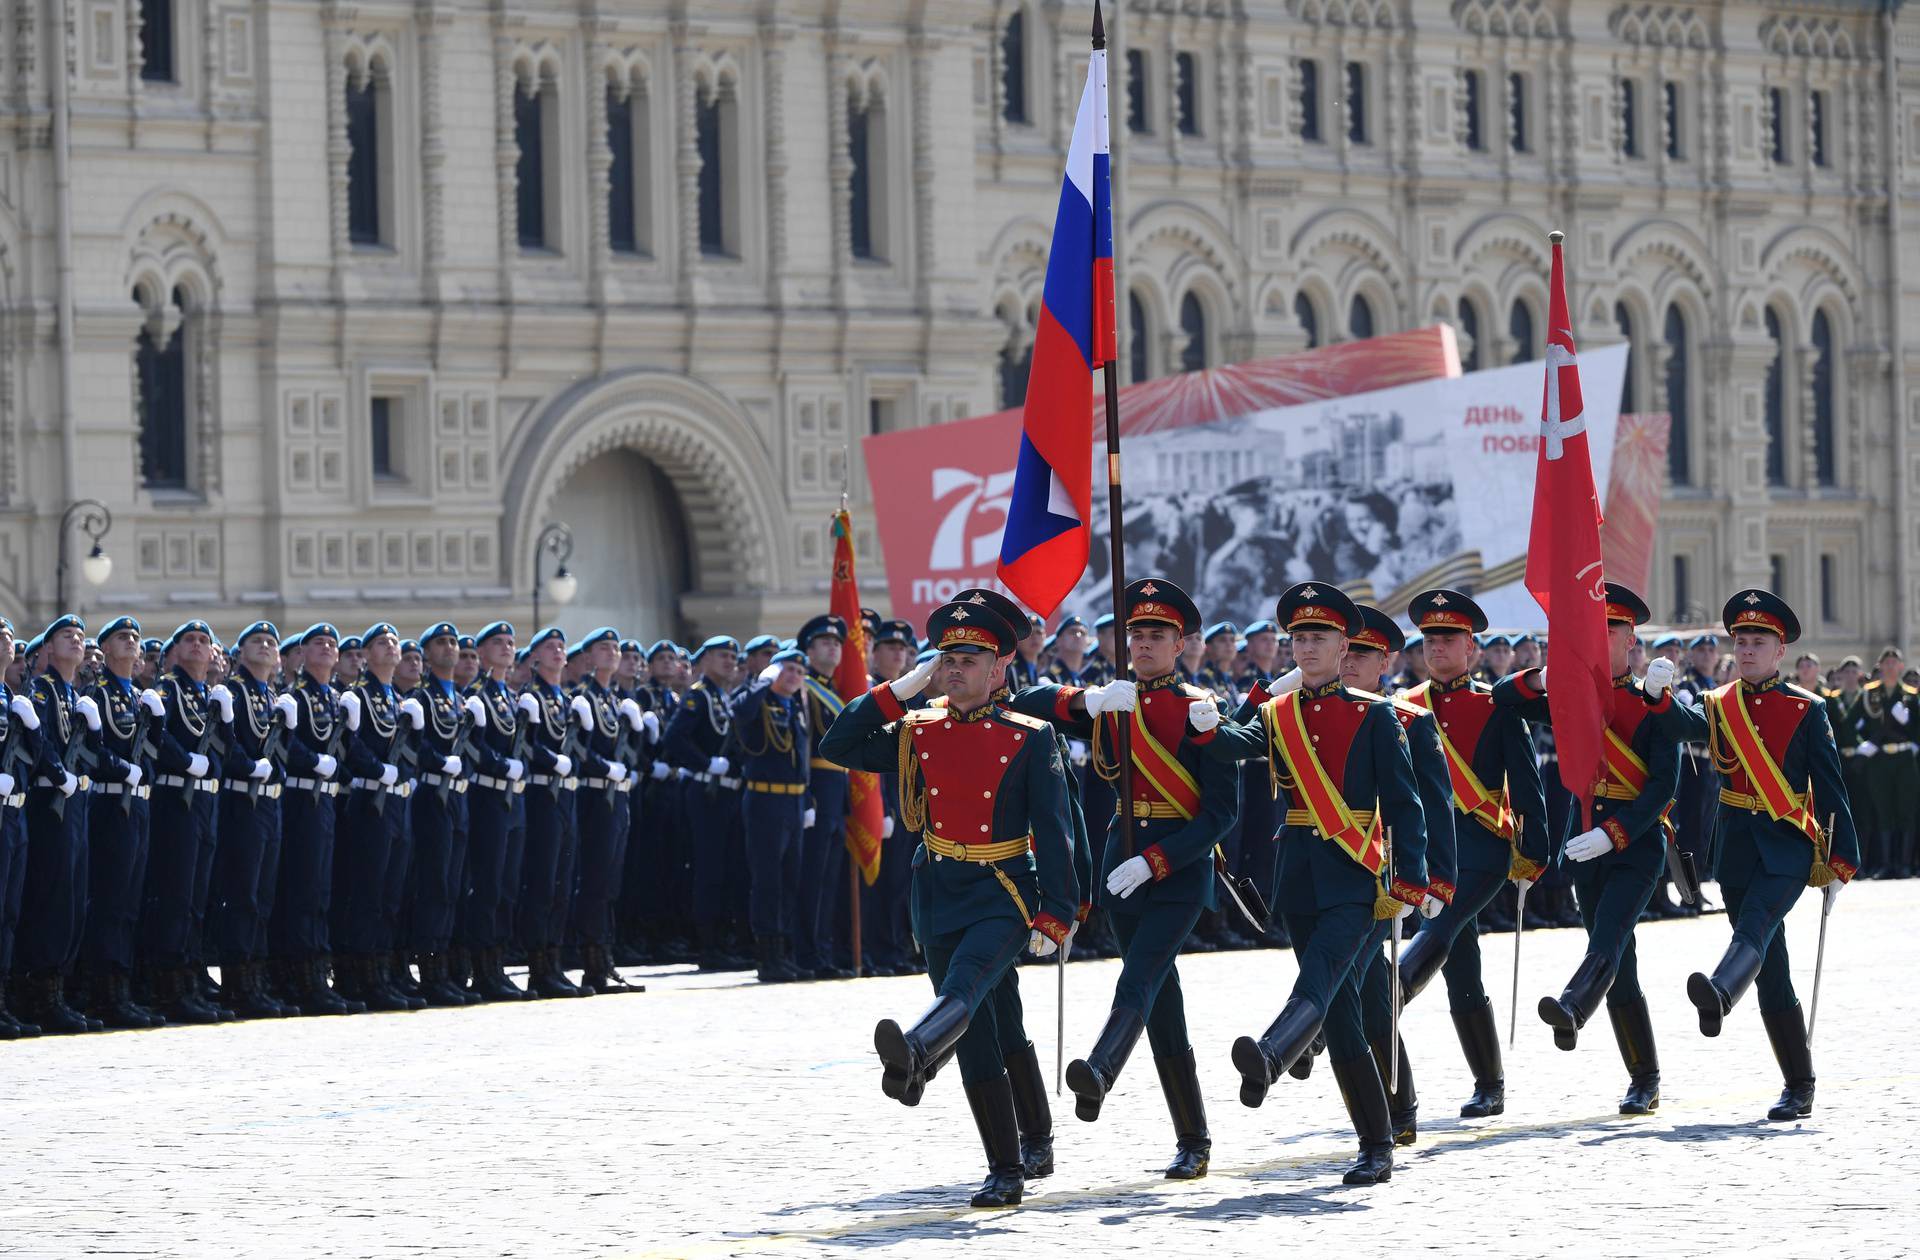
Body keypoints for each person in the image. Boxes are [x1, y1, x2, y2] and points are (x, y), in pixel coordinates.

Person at [822, 600, 1079, 1209]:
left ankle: (921, 1058)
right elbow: (840, 742)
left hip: (1003, 892)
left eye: (969, 660)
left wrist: (1060, 912)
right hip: (938, 893)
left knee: (963, 993)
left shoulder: (1029, 737)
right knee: (989, 1026)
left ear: (999, 667)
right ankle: (1029, 1143)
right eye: (948, 660)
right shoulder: (918, 730)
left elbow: (1059, 830)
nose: (955, 670)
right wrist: (899, 690)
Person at [1205, 583, 1433, 1186]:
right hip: (1300, 878)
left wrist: (1411, 882)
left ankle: (1273, 1054)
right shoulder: (1279, 715)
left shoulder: (1376, 717)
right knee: (1342, 1017)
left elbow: (1406, 808)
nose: (1307, 647)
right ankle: (1377, 1140)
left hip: (1357, 878)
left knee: (1323, 982)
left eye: (1320, 638)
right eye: (1299, 638)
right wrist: (1214, 716)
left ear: (1342, 646)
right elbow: (1231, 745)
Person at [1047, 579, 1237, 1181]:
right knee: (1163, 1005)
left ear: (1180, 643)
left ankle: (1100, 1069)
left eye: (1157, 635)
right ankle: (1194, 1139)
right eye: (1137, 634)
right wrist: (1088, 703)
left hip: (1177, 869)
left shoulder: (1200, 707)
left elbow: (1220, 813)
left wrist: (1159, 860)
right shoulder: (1115, 699)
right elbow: (1026, 699)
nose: (1145, 644)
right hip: (1121, 862)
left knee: (1140, 974)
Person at [1492, 584, 1680, 1115]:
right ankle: (1646, 1078)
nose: (1600, 640)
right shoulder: (1574, 697)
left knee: (1609, 937)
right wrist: (1546, 677)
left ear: (1632, 642)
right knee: (1623, 962)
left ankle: (1574, 1005)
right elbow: (1503, 698)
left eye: (1610, 632)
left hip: (1636, 844)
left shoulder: (1653, 703)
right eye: (1592, 632)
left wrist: (1614, 833)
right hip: (1583, 845)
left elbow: (1664, 787)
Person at [1673, 590, 1859, 1122]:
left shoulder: (1807, 708)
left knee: (1752, 927)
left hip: (1786, 847)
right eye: (1742, 640)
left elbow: (1830, 788)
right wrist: (1655, 696)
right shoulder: (1717, 704)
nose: (1748, 649)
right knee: (1772, 968)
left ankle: (1721, 991)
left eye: (1760, 641)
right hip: (1735, 849)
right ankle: (1799, 1084)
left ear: (1780, 652)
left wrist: (1841, 860)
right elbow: (1676, 728)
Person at [1390, 588, 1548, 1120]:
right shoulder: (1404, 707)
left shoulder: (1495, 705)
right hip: (1428, 851)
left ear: (1472, 648)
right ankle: (1490, 1081)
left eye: (1448, 638)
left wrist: (1534, 851)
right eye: (1430, 638)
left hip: (1480, 850)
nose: (1437, 647)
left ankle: (1388, 995)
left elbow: (1527, 784)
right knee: (1461, 964)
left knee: (1437, 928)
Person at [1339, 604, 1456, 1146]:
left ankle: (1393, 1107)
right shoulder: (1314, 712)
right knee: (1370, 992)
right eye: (1346, 648)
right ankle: (1399, 1103)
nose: (1349, 660)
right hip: (1335, 872)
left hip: (1385, 878)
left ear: (1384, 661)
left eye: (1361, 652)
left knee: (1363, 986)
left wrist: (1434, 881)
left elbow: (1434, 805)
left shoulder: (1409, 720)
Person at [15, 615, 102, 1033]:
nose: (76, 640)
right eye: (66, 635)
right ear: (47, 649)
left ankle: (58, 990)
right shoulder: (42, 690)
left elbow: (90, 752)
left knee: (74, 895)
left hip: (76, 804)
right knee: (53, 896)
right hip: (51, 805)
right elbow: (42, 743)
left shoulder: (76, 694)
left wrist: (96, 727)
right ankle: (41, 994)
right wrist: (55, 770)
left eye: (80, 636)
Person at [75, 615, 161, 1029]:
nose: (130, 642)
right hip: (111, 805)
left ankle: (121, 989)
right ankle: (104, 992)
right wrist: (121, 770)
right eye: (121, 637)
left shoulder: (140, 696)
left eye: (135, 638)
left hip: (138, 805)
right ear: (104, 649)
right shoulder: (99, 693)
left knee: (130, 902)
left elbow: (156, 753)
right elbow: (92, 751)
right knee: (110, 901)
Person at [273, 624, 362, 1016]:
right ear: (302, 654)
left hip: (326, 803)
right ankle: (301, 979)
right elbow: (281, 746)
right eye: (318, 644)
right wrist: (314, 761)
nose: (327, 648)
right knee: (304, 890)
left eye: (332, 644)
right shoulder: (295, 697)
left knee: (321, 891)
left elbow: (346, 753)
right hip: (301, 800)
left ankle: (316, 975)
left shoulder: (337, 699)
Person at [210, 621, 294, 1018]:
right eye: (256, 641)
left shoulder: (273, 695)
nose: (264, 646)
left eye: (270, 642)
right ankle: (238, 983)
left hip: (269, 805)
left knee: (263, 895)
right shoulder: (235, 692)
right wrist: (248, 767)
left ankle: (256, 980)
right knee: (243, 893)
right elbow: (222, 746)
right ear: (240, 654)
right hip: (243, 803)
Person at [333, 623, 419, 1012]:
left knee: (390, 893)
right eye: (381, 643)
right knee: (367, 892)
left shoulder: (399, 700)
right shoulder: (357, 697)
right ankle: (360, 975)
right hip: (370, 803)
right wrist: (375, 769)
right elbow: (348, 747)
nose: (390, 647)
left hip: (397, 804)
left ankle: (382, 972)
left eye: (393, 642)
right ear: (365, 656)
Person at [663, 636, 750, 973]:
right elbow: (674, 738)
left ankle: (725, 941)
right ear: (705, 660)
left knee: (729, 868)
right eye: (722, 655)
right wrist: (705, 763)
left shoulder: (724, 698)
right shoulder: (698, 696)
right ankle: (708, 945)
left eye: (732, 655)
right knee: (710, 869)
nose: (729, 661)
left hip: (727, 793)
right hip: (706, 792)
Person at [403, 622, 475, 1007]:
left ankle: (446, 968)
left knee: (452, 885)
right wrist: (439, 761)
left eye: (454, 642)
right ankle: (430, 972)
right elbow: (414, 748)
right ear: (426, 655)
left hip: (458, 798)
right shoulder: (422, 699)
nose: (450, 648)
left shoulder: (461, 699)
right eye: (441, 643)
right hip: (432, 795)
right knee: (434, 886)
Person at [516, 626, 589, 997]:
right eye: (550, 648)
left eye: (561, 647)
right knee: (543, 883)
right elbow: (524, 747)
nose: (559, 652)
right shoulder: (530, 698)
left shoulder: (568, 699)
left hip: (567, 797)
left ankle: (554, 961)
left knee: (564, 882)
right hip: (542, 795)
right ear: (535, 659)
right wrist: (552, 760)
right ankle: (538, 968)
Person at [460, 621, 531, 1000]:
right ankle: (483, 967)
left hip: (513, 799)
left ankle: (499, 963)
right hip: (487, 798)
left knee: (506, 885)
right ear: (481, 652)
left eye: (510, 642)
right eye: (497, 643)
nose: (506, 648)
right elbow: (471, 747)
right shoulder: (475, 695)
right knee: (487, 885)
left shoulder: (510, 695)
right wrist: (501, 766)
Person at [568, 626, 641, 993]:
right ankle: (592, 965)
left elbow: (627, 753)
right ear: (587, 657)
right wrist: (602, 767)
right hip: (595, 797)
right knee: (595, 882)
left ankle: (607, 960)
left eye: (615, 647)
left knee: (611, 883)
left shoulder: (615, 700)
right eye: (604, 648)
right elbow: (575, 748)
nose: (612, 652)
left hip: (618, 797)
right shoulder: (581, 698)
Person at [732, 646, 810, 982]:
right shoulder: (757, 699)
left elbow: (803, 756)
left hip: (793, 802)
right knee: (768, 882)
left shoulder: (796, 707)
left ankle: (784, 952)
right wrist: (761, 685)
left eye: (798, 671)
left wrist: (809, 800)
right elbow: (739, 714)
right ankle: (767, 957)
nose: (793, 676)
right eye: (787, 669)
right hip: (765, 800)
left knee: (790, 881)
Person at [794, 615, 852, 980]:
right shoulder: (805, 688)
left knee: (830, 878)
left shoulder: (835, 689)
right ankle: (807, 952)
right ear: (808, 650)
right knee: (812, 877)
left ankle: (824, 950)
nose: (833, 647)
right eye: (824, 642)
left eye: (837, 643)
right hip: (816, 786)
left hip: (837, 790)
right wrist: (808, 795)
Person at [1857, 648, 1917, 881]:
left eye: (1895, 663)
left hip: (1904, 759)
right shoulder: (1869, 694)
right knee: (1883, 810)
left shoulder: (1911, 695)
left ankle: (1903, 864)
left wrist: (1914, 739)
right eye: (1886, 663)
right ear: (1880, 666)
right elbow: (1853, 725)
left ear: (1901, 666)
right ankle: (1885, 864)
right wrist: (1862, 744)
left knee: (1906, 810)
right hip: (1879, 759)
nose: (1891, 667)